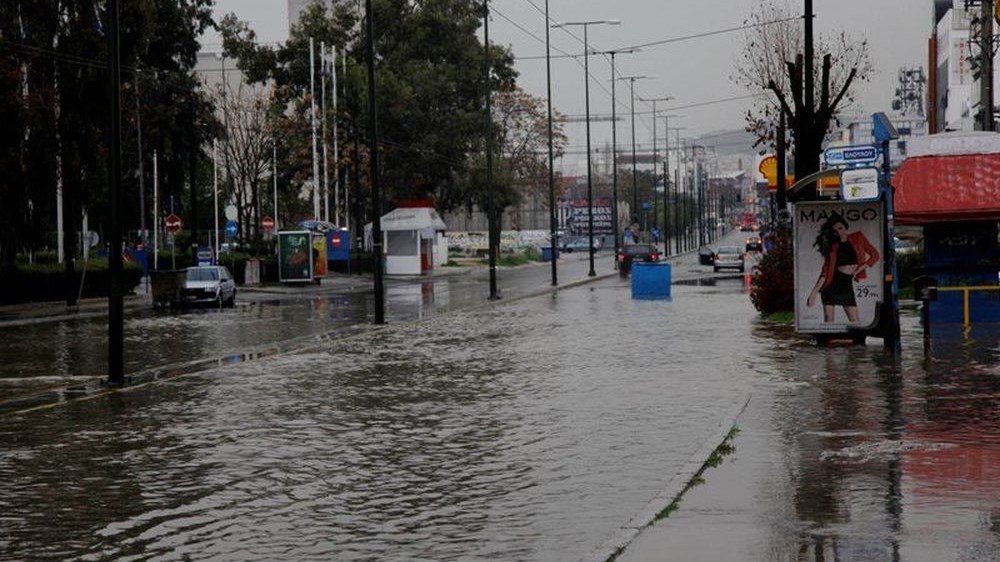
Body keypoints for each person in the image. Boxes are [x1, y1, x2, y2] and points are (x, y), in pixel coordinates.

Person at [806, 212, 880, 323]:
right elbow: (825, 272)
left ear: (845, 226)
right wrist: (813, 293)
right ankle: (828, 340)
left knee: (855, 321)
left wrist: (861, 268)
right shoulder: (832, 246)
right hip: (831, 285)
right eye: (835, 231)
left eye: (840, 228)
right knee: (829, 321)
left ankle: (855, 340)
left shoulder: (858, 237)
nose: (839, 232)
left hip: (846, 284)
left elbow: (875, 255)